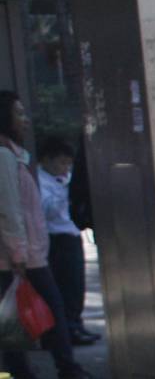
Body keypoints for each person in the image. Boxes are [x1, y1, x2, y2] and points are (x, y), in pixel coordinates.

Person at [0, 92, 103, 379]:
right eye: (18, 114)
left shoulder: (12, 154)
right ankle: (67, 370)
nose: (25, 120)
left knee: (16, 314)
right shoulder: (4, 156)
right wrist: (19, 254)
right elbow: (9, 209)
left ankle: (24, 373)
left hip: (21, 253)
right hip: (21, 256)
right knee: (50, 309)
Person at [35, 138, 98, 346]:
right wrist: (65, 195)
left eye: (68, 164)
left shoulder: (65, 179)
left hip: (71, 235)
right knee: (65, 286)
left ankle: (76, 324)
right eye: (61, 163)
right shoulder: (40, 181)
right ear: (46, 160)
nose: (65, 168)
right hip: (56, 238)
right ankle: (67, 328)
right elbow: (45, 211)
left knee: (76, 286)